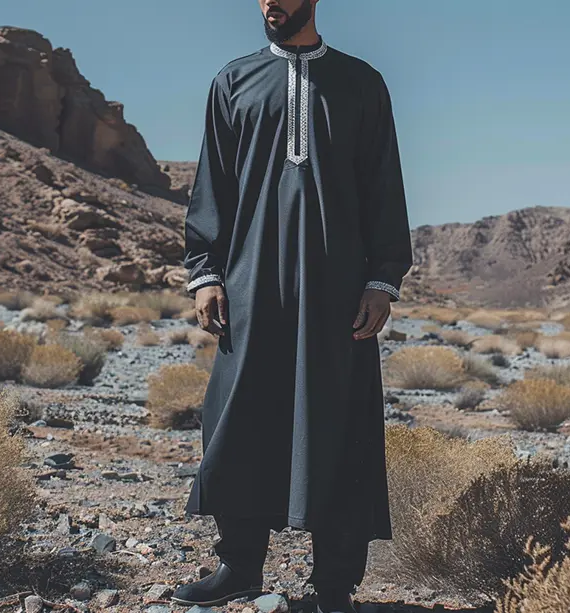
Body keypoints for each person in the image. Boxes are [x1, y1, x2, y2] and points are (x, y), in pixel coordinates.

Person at [172, 0, 413, 611]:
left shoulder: (361, 83)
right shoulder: (234, 81)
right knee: (241, 415)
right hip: (252, 284)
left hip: (338, 291)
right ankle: (240, 565)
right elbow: (213, 185)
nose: (268, 3)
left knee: (339, 420)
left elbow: (384, 183)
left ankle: (334, 584)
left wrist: (383, 281)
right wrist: (206, 274)